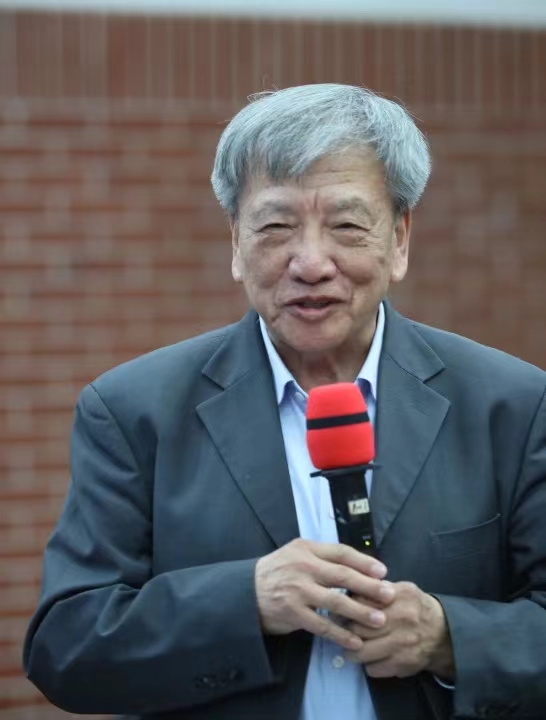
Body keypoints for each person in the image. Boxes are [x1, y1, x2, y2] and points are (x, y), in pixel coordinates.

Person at [24, 84, 546, 720]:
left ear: (400, 240)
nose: (311, 263)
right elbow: (67, 647)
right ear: (236, 244)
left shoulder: (512, 407)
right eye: (276, 226)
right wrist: (245, 601)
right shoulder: (134, 413)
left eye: (347, 226)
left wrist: (449, 639)